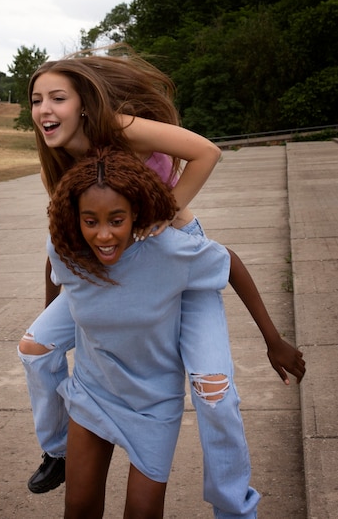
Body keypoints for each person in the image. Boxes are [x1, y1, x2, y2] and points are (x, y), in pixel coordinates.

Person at [18, 47, 305, 517]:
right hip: (117, 257)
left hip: (173, 250)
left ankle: (234, 508)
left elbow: (206, 152)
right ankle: (58, 452)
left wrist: (163, 210)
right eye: (35, 100)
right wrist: (54, 307)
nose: (44, 110)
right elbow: (63, 250)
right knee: (34, 347)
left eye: (57, 98)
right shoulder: (63, 164)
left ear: (84, 104)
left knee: (214, 390)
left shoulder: (117, 127)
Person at [46, 147, 237, 518]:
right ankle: (51, 451)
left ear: (135, 213)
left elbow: (230, 264)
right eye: (91, 221)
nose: (103, 235)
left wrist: (273, 341)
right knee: (79, 507)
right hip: (93, 392)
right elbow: (54, 265)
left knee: (142, 512)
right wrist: (46, 315)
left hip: (153, 405)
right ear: (77, 219)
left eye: (116, 220)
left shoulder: (166, 251)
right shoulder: (69, 251)